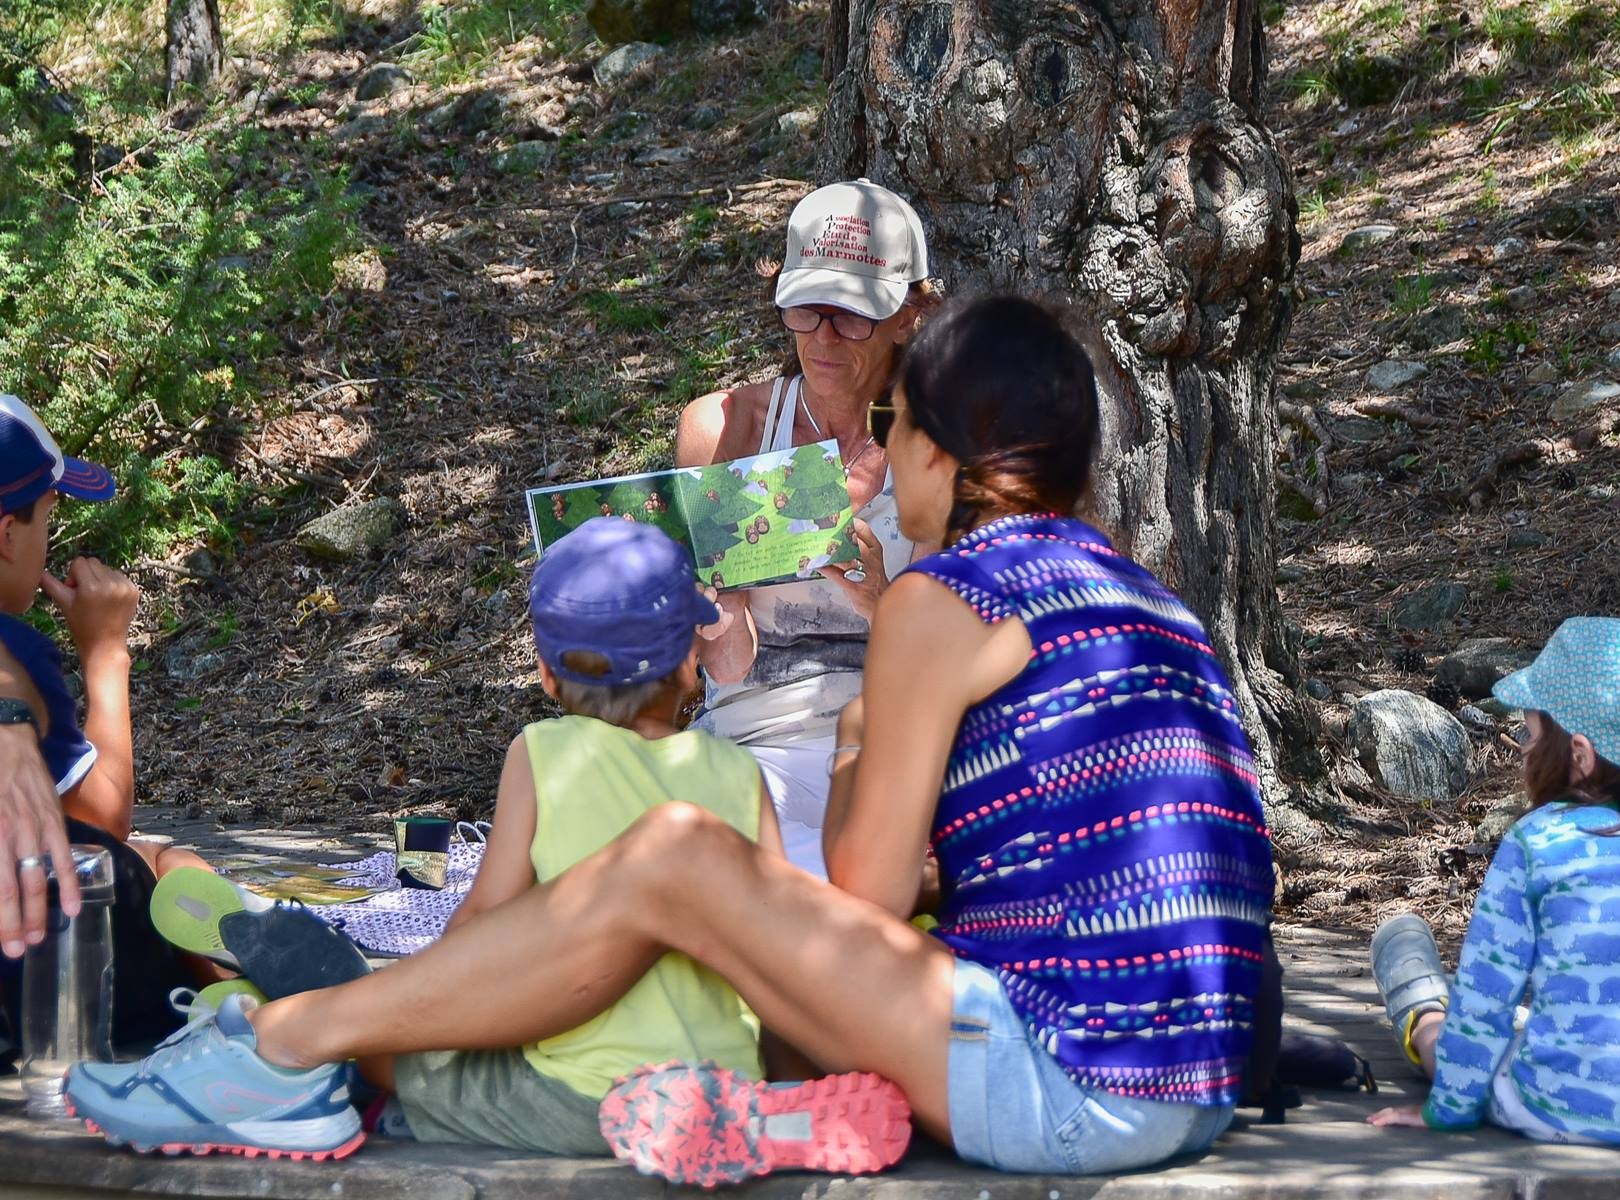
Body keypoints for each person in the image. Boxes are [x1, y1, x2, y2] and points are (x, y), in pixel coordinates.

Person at [67, 297, 1275, 1184]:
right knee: (698, 908)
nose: (886, 461)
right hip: (1193, 1078)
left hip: (1062, 1081)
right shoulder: (1142, 596)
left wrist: (855, 735)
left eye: (896, 429)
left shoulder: (945, 597)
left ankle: (290, 1043)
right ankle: (380, 1045)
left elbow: (855, 894)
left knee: (675, 859)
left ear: (944, 455)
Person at [69, 517, 909, 1162]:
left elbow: (483, 925)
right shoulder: (733, 773)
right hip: (728, 1072)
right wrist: (795, 1067)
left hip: (582, 1095)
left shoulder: (542, 751)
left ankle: (295, 1074)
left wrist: (417, 1004)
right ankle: (754, 1110)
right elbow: (768, 945)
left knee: (400, 1066)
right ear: (693, 656)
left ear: (545, 672)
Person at [1366, 617, 1620, 1145]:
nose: (1521, 749)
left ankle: (1416, 994)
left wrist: (1448, 1109)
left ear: (1578, 757)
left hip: (1552, 1108)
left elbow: (1487, 995)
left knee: (1444, 1039)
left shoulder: (1535, 844)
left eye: (1529, 734)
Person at [679, 178, 938, 879]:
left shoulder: (939, 442)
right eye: (804, 309)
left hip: (888, 750)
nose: (822, 337)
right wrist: (715, 609)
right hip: (750, 742)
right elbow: (728, 670)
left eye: (852, 316)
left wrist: (880, 598)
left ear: (908, 314)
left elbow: (955, 665)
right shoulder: (725, 428)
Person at [0, 394, 199, 1062]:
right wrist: (106, 653)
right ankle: (250, 1013)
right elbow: (103, 814)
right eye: (47, 519)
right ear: (6, 534)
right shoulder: (17, 652)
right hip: (39, 972)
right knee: (172, 866)